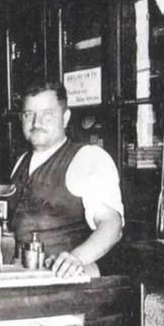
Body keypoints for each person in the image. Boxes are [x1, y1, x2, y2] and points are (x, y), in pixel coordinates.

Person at [10, 82, 124, 278]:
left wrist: (76, 258)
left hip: (67, 283)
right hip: (23, 276)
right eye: (29, 114)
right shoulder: (21, 161)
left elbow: (112, 224)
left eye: (47, 114)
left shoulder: (88, 158)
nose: (36, 123)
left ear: (65, 118)